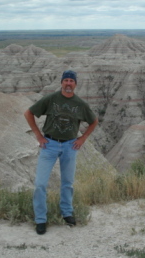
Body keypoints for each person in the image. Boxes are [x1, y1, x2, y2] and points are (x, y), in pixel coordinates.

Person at [24, 70, 98, 235]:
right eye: (66, 80)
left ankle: (67, 213)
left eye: (72, 81)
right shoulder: (51, 99)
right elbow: (28, 113)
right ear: (61, 83)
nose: (69, 84)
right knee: (40, 184)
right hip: (49, 145)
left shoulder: (80, 104)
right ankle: (41, 219)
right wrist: (38, 135)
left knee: (67, 183)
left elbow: (94, 121)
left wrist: (82, 138)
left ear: (75, 84)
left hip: (70, 146)